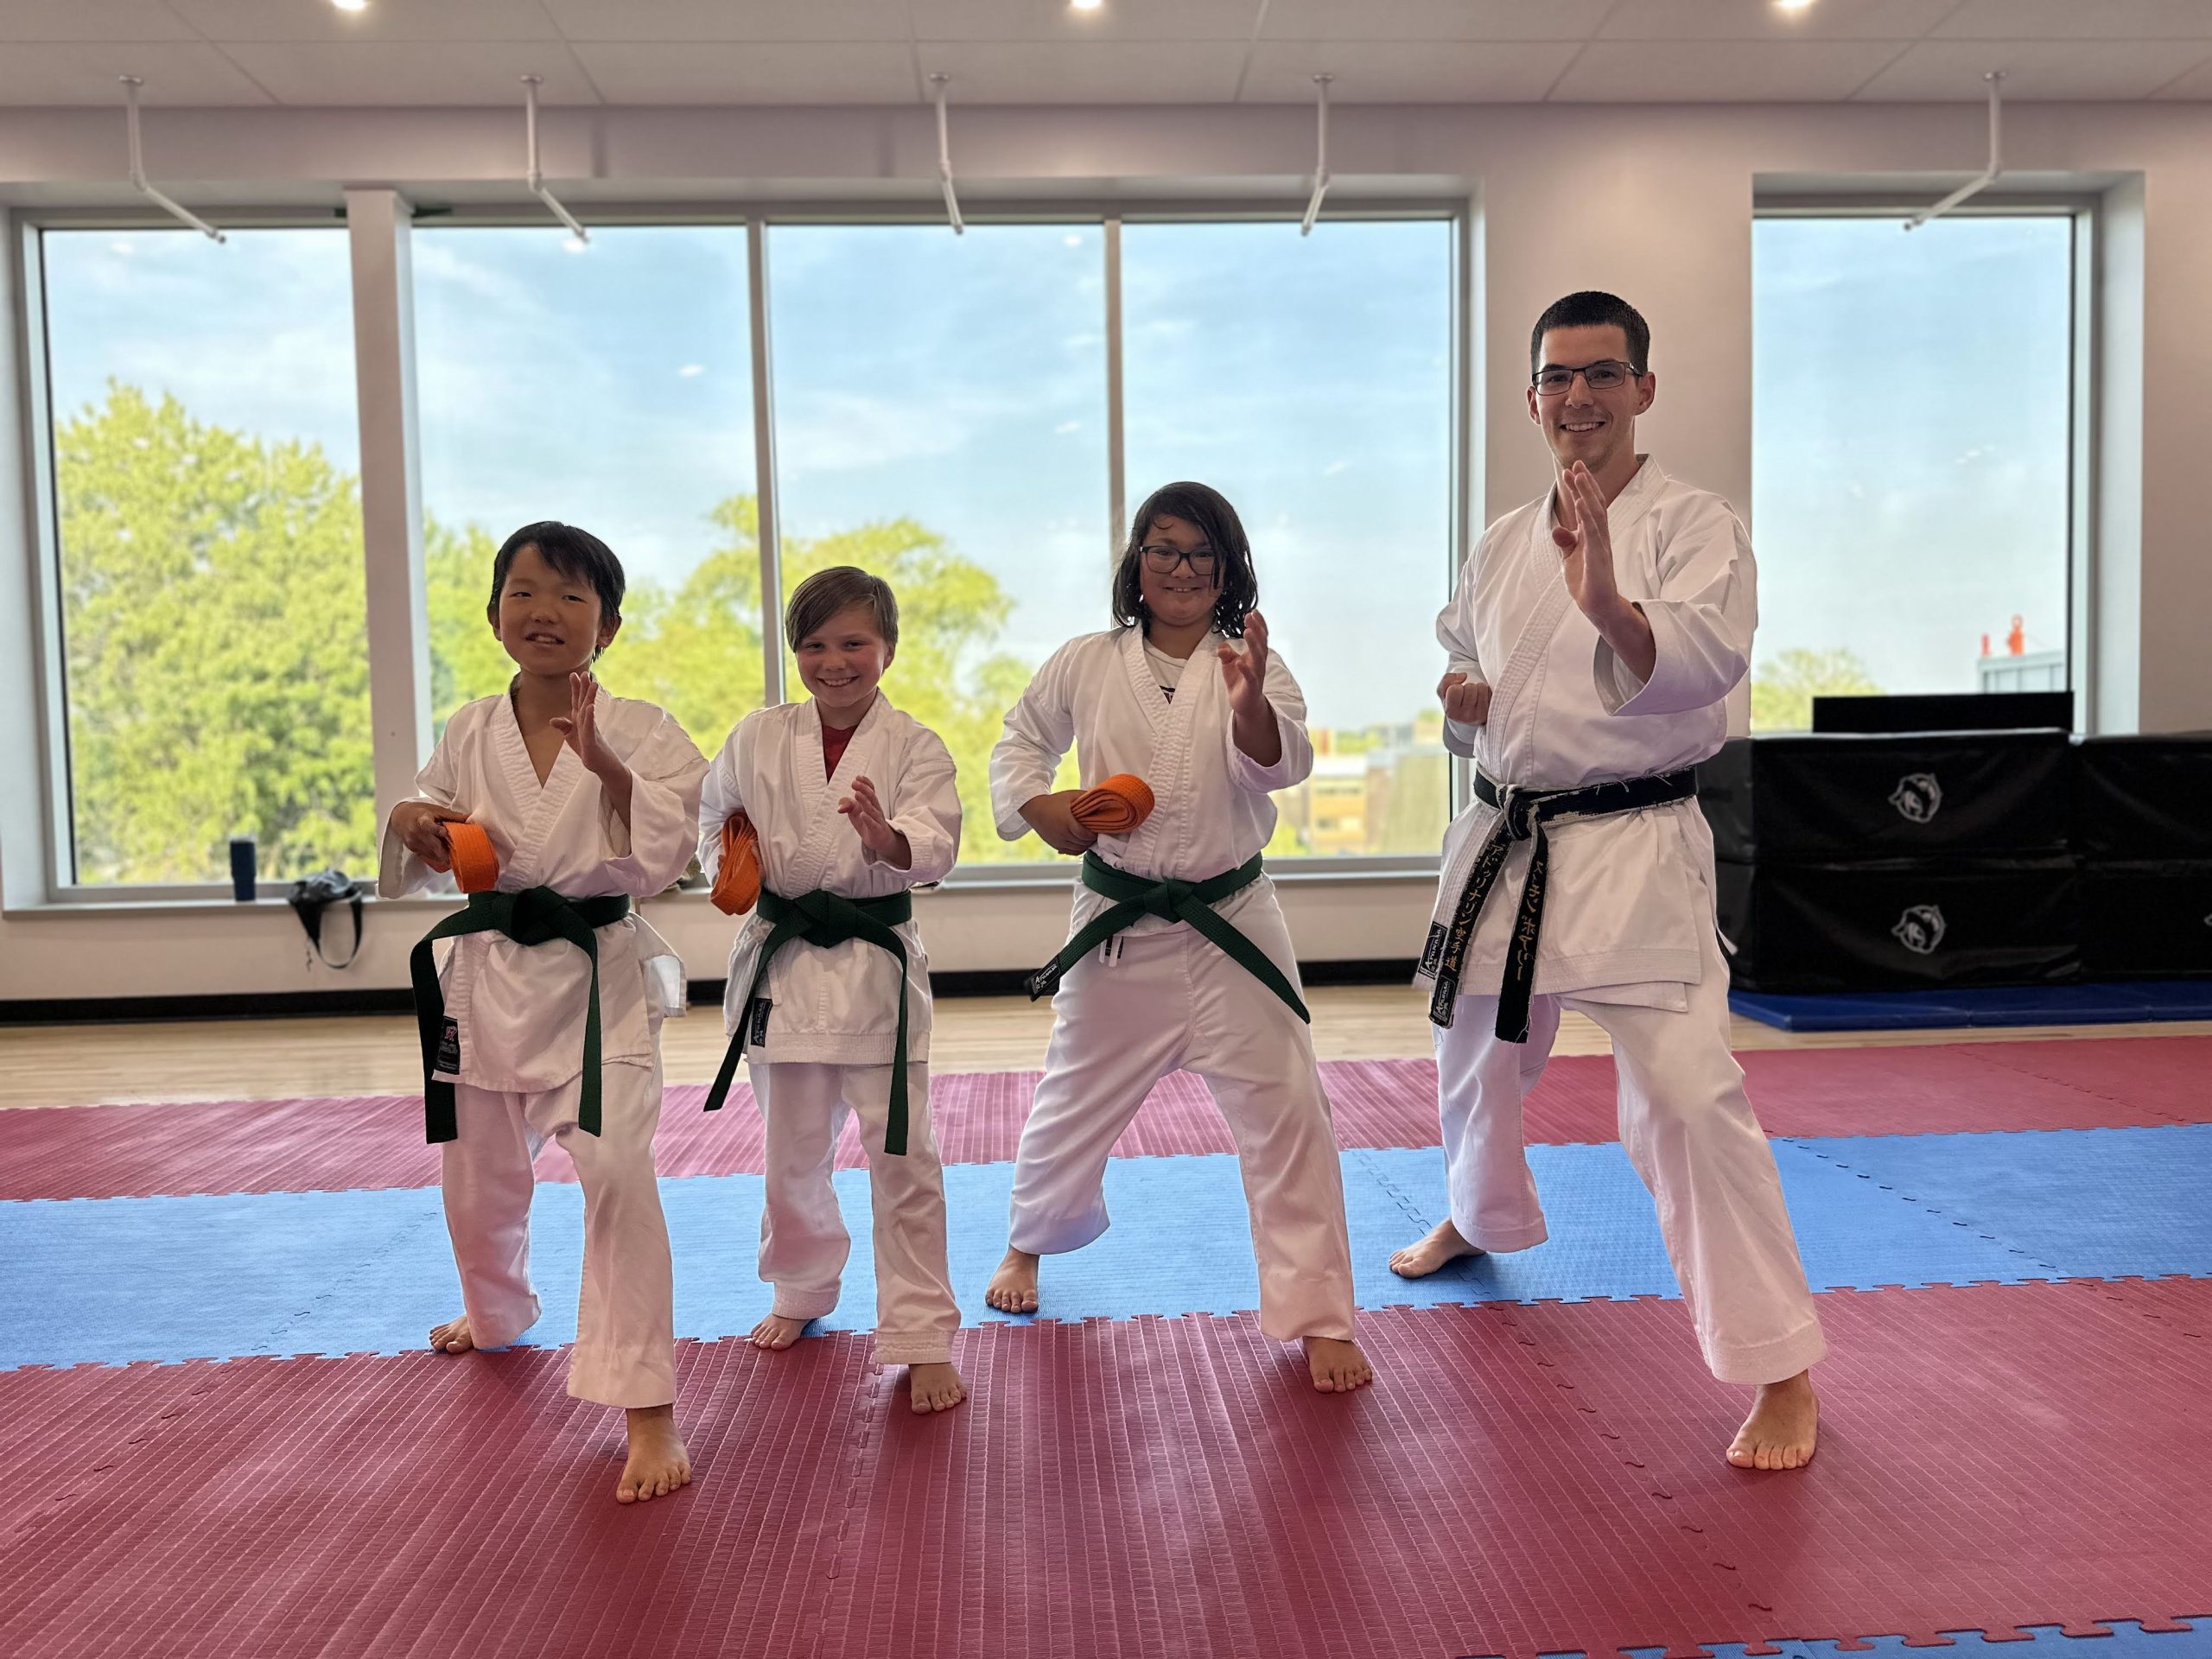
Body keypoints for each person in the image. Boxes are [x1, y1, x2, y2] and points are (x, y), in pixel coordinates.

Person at [1389, 291, 1825, 1470]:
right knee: (1474, 1057)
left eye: (1601, 373)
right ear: (1531, 396)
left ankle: (1778, 1365)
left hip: (1631, 844)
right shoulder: (1499, 539)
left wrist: (1607, 606)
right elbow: (1466, 661)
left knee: (1684, 1095)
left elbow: (1707, 664)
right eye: (1557, 376)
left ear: (1643, 387)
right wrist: (1464, 703)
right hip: (1507, 835)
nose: (1577, 396)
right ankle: (1479, 1214)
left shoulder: (1696, 525)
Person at [982, 481, 1373, 1395]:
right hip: (1119, 920)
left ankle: (1318, 1313)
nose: (1182, 568)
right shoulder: (1086, 661)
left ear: (1228, 569)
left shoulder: (1255, 664)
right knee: (1073, 1092)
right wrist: (1043, 808)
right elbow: (1020, 743)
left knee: (1290, 1107)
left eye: (1201, 553)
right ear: (1137, 563)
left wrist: (1249, 704)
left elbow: (1278, 767)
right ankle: (1028, 1243)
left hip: (1231, 919)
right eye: (1163, 549)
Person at [384, 520, 708, 1503]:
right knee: (477, 1180)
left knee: (617, 1176)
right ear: (494, 616)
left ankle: (646, 1406)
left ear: (606, 624)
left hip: (596, 984)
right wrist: (414, 819)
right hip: (487, 979)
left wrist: (607, 764)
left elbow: (670, 855)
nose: (545, 613)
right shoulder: (469, 727)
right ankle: (496, 1311)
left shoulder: (646, 728)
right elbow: (432, 818)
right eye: (523, 593)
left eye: (571, 596)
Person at [699, 567, 967, 1414]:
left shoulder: (915, 745)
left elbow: (937, 843)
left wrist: (888, 839)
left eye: (854, 642)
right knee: (792, 1151)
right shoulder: (756, 734)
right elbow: (713, 814)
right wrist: (731, 860)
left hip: (872, 967)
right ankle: (802, 1287)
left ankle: (920, 1332)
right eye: (814, 644)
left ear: (887, 647)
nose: (834, 661)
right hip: (782, 967)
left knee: (904, 1158)